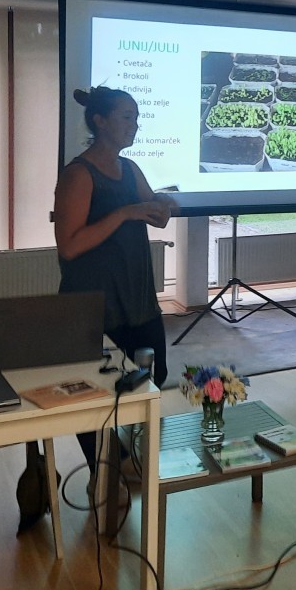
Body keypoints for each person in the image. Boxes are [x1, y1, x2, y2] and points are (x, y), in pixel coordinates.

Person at [54, 86, 173, 469]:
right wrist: (123, 214)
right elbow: (69, 246)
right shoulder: (78, 174)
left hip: (137, 298)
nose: (134, 125)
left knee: (151, 377)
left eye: (136, 118)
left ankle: (131, 459)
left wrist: (163, 205)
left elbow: (154, 210)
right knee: (95, 392)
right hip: (94, 305)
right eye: (126, 117)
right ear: (100, 121)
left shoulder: (130, 168)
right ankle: (104, 471)